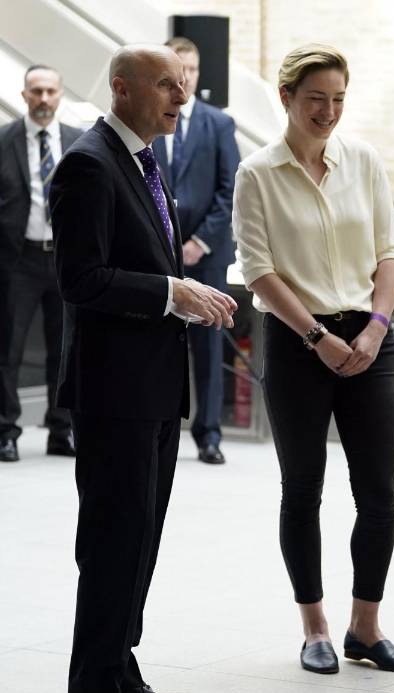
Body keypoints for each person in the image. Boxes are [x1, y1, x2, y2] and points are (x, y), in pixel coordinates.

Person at [52, 43, 237, 693]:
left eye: (182, 85)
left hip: (155, 389)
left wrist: (182, 295)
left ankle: (120, 672)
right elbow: (81, 279)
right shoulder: (89, 163)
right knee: (111, 543)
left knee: (140, 542)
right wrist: (171, 291)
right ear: (122, 88)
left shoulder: (139, 161)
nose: (180, 97)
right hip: (114, 393)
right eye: (165, 85)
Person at [233, 44, 394, 676]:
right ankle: (315, 628)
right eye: (316, 99)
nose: (329, 112)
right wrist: (318, 338)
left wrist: (374, 329)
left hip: (370, 337)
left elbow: (390, 252)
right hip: (295, 340)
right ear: (286, 98)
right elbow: (258, 270)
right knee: (302, 488)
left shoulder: (363, 161)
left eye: (338, 99)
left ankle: (367, 627)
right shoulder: (257, 172)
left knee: (379, 494)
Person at [0, 65, 81, 462]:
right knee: (8, 349)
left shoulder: (78, 140)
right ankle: (6, 431)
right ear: (24, 95)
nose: (43, 99)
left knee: (66, 350)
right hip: (17, 257)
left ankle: (61, 430)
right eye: (36, 91)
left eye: (50, 92)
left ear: (60, 95)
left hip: (65, 258)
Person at [153, 36, 240, 465]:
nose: (184, 80)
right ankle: (158, 424)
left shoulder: (218, 124)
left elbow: (230, 188)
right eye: (176, 71)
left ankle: (208, 434)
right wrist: (167, 242)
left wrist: (199, 241)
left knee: (208, 347)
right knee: (157, 344)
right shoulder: (148, 120)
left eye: (191, 71)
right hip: (156, 256)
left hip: (207, 254)